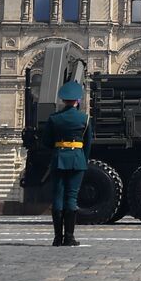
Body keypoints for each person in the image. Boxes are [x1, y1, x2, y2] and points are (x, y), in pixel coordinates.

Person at [42, 81, 94, 246]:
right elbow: (88, 143)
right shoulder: (85, 119)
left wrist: (57, 151)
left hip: (59, 159)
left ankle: (57, 238)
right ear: (77, 100)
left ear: (63, 100)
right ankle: (69, 237)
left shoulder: (54, 118)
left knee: (57, 196)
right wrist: (83, 160)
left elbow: (46, 142)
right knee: (72, 197)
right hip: (77, 159)